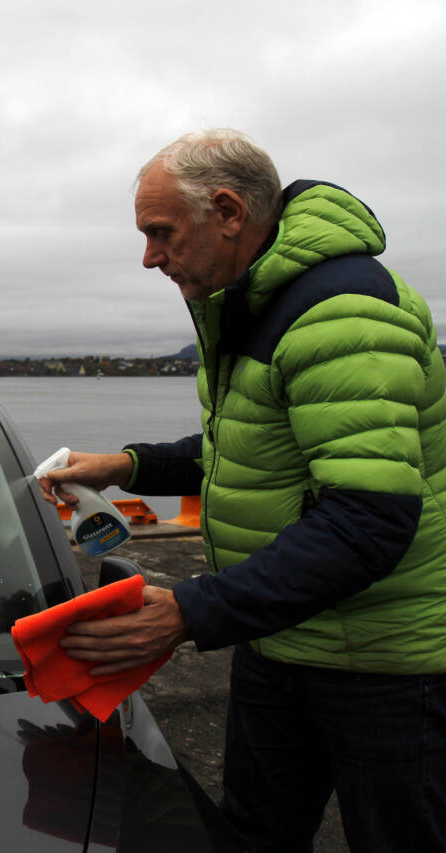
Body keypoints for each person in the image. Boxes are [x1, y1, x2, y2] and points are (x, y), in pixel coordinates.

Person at [39, 129, 446, 853]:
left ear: (227, 211)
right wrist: (127, 466)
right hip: (282, 635)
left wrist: (190, 610)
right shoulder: (253, 303)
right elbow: (255, 454)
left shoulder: (339, 311)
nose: (149, 256)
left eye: (161, 233)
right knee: (251, 834)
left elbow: (368, 519)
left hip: (384, 664)